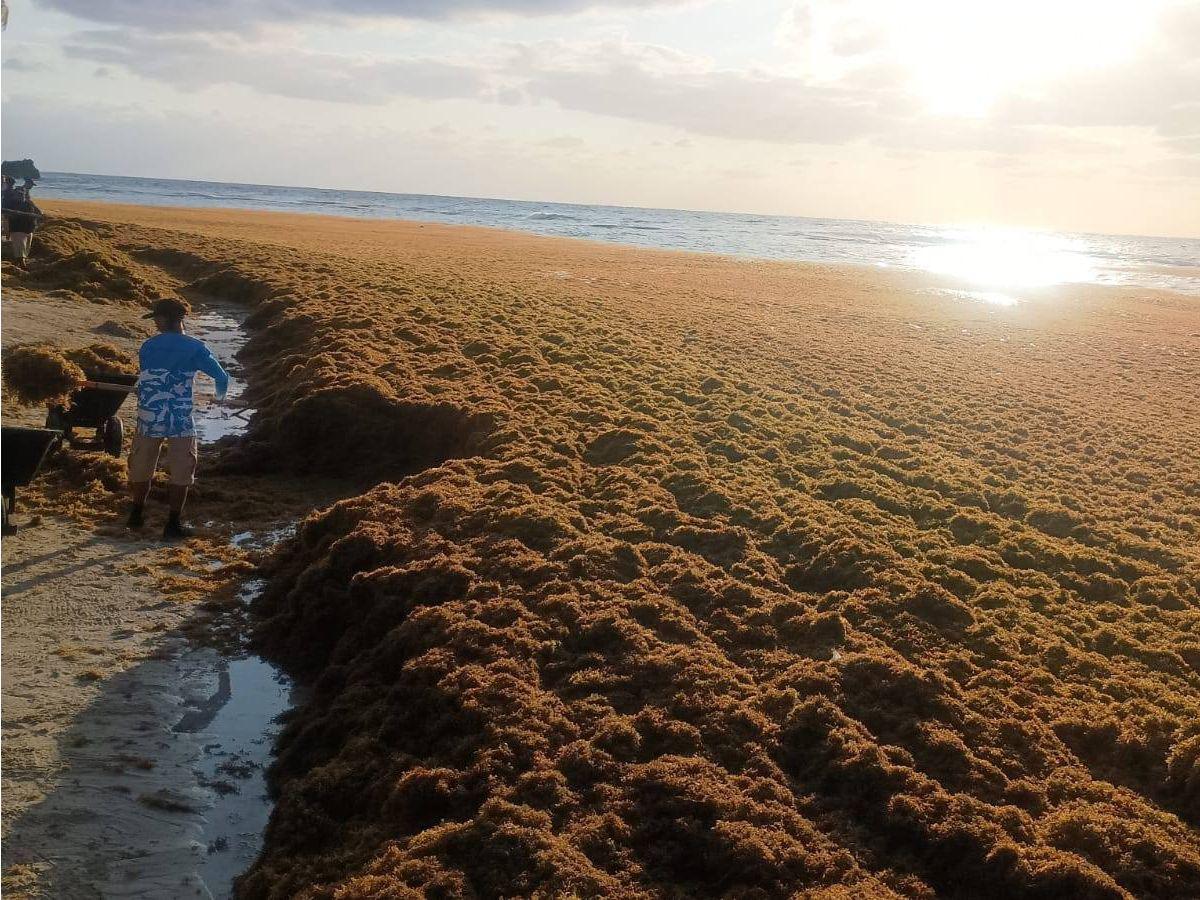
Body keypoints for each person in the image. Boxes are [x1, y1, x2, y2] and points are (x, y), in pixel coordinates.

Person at [127, 297, 230, 540]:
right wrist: (219, 398)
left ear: (165, 319)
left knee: (141, 466)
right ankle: (173, 525)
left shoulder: (148, 346)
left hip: (149, 416)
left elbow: (148, 379)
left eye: (156, 318)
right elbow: (222, 377)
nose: (155, 323)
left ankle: (136, 515)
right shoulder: (195, 348)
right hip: (179, 420)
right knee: (182, 471)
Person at [6, 187, 42, 267]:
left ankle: (18, 263)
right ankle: (22, 265)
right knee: (20, 248)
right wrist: (7, 231)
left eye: (22, 194)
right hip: (17, 229)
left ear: (25, 194)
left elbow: (39, 213)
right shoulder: (10, 204)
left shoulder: (30, 203)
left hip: (29, 229)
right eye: (18, 194)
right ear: (14, 195)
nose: (20, 196)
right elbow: (6, 217)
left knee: (26, 249)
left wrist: (36, 218)